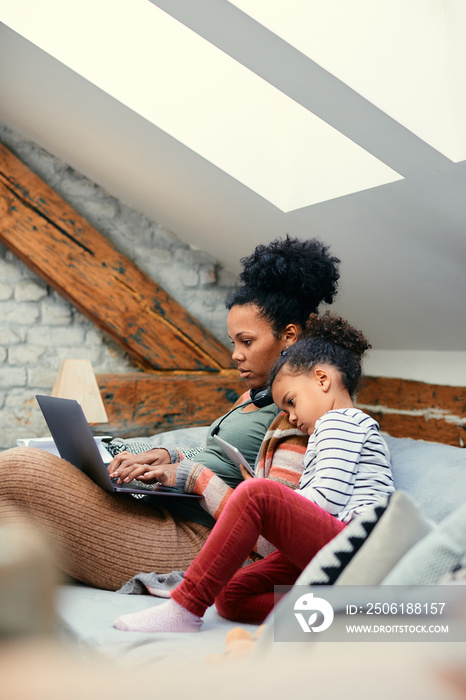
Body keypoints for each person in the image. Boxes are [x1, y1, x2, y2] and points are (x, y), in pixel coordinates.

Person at [0, 237, 340, 591]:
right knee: (43, 478)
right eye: (233, 342)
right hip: (168, 513)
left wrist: (189, 475)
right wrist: (167, 456)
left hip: (204, 540)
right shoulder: (253, 397)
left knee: (18, 469)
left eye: (247, 341)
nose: (236, 355)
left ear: (288, 336)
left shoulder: (298, 416)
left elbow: (274, 530)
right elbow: (217, 454)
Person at [113, 312, 395, 632]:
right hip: (332, 548)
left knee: (256, 494)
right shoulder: (328, 429)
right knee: (231, 597)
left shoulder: (342, 422)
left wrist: (272, 504)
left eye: (291, 402)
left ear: (322, 379)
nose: (291, 417)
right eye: (284, 410)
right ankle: (342, 614)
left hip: (357, 545)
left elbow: (325, 501)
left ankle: (185, 607)